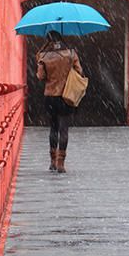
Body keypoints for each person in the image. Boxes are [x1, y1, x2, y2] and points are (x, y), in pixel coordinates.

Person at [36, 30, 83, 173]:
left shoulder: (44, 56)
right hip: (66, 96)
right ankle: (61, 163)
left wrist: (40, 61)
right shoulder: (71, 54)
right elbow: (79, 72)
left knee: (53, 128)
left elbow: (40, 77)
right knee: (64, 129)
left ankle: (52, 161)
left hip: (50, 95)